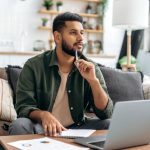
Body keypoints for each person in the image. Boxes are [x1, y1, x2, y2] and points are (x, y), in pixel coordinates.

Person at [9, 12, 113, 136]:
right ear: (57, 37)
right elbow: (23, 107)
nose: (81, 38)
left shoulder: (91, 67)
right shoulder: (33, 66)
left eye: (82, 32)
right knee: (19, 125)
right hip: (43, 128)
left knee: (110, 124)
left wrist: (93, 81)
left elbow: (106, 113)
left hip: (78, 127)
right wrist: (44, 115)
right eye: (73, 33)